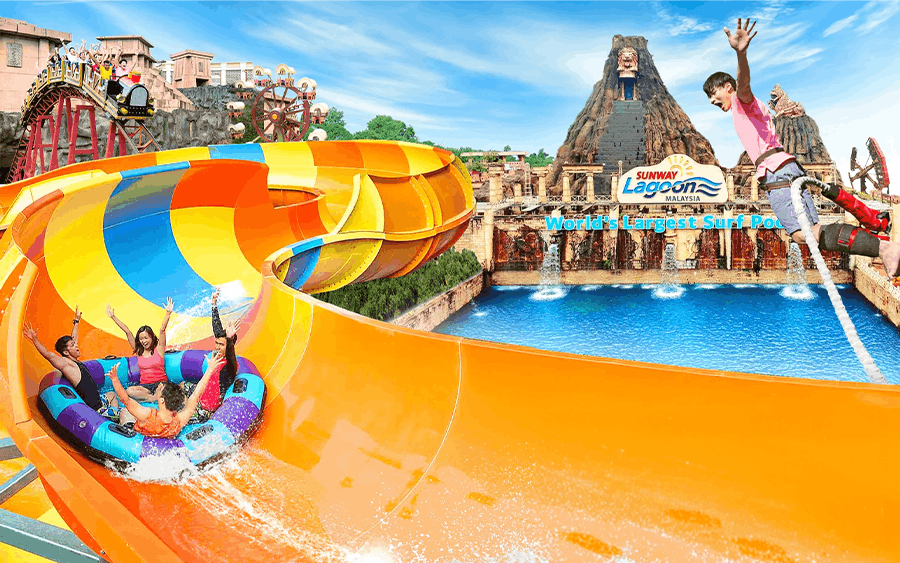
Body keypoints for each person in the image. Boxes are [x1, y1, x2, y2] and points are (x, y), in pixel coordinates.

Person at [703, 18, 900, 278]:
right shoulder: (750, 110)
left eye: (714, 95)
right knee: (812, 232)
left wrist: (741, 55)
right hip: (788, 168)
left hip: (776, 172)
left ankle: (884, 249)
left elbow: (744, 84)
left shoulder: (742, 102)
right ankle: (882, 246)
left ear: (728, 87)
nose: (712, 101)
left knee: (801, 234)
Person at [23, 308, 119, 419]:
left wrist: (76, 321)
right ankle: (115, 416)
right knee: (125, 412)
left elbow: (74, 338)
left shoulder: (73, 360)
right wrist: (34, 339)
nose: (76, 345)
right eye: (73, 345)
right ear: (65, 352)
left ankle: (114, 414)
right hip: (97, 410)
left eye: (74, 344)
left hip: (100, 402)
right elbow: (49, 355)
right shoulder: (68, 365)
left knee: (111, 394)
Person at [106, 354, 226, 438]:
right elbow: (196, 394)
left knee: (125, 412)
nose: (159, 388)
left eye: (160, 390)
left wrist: (115, 379)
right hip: (164, 439)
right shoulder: (179, 421)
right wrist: (210, 369)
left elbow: (125, 399)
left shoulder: (147, 415)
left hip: (138, 438)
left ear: (162, 400)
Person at [106, 298, 174, 401]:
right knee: (129, 391)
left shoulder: (159, 348)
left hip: (161, 384)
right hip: (144, 387)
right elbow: (128, 332)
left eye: (146, 338)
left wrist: (168, 313)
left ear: (152, 337)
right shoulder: (139, 351)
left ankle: (153, 397)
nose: (143, 341)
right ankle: (151, 398)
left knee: (164, 389)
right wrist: (113, 317)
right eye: (141, 339)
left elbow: (162, 330)